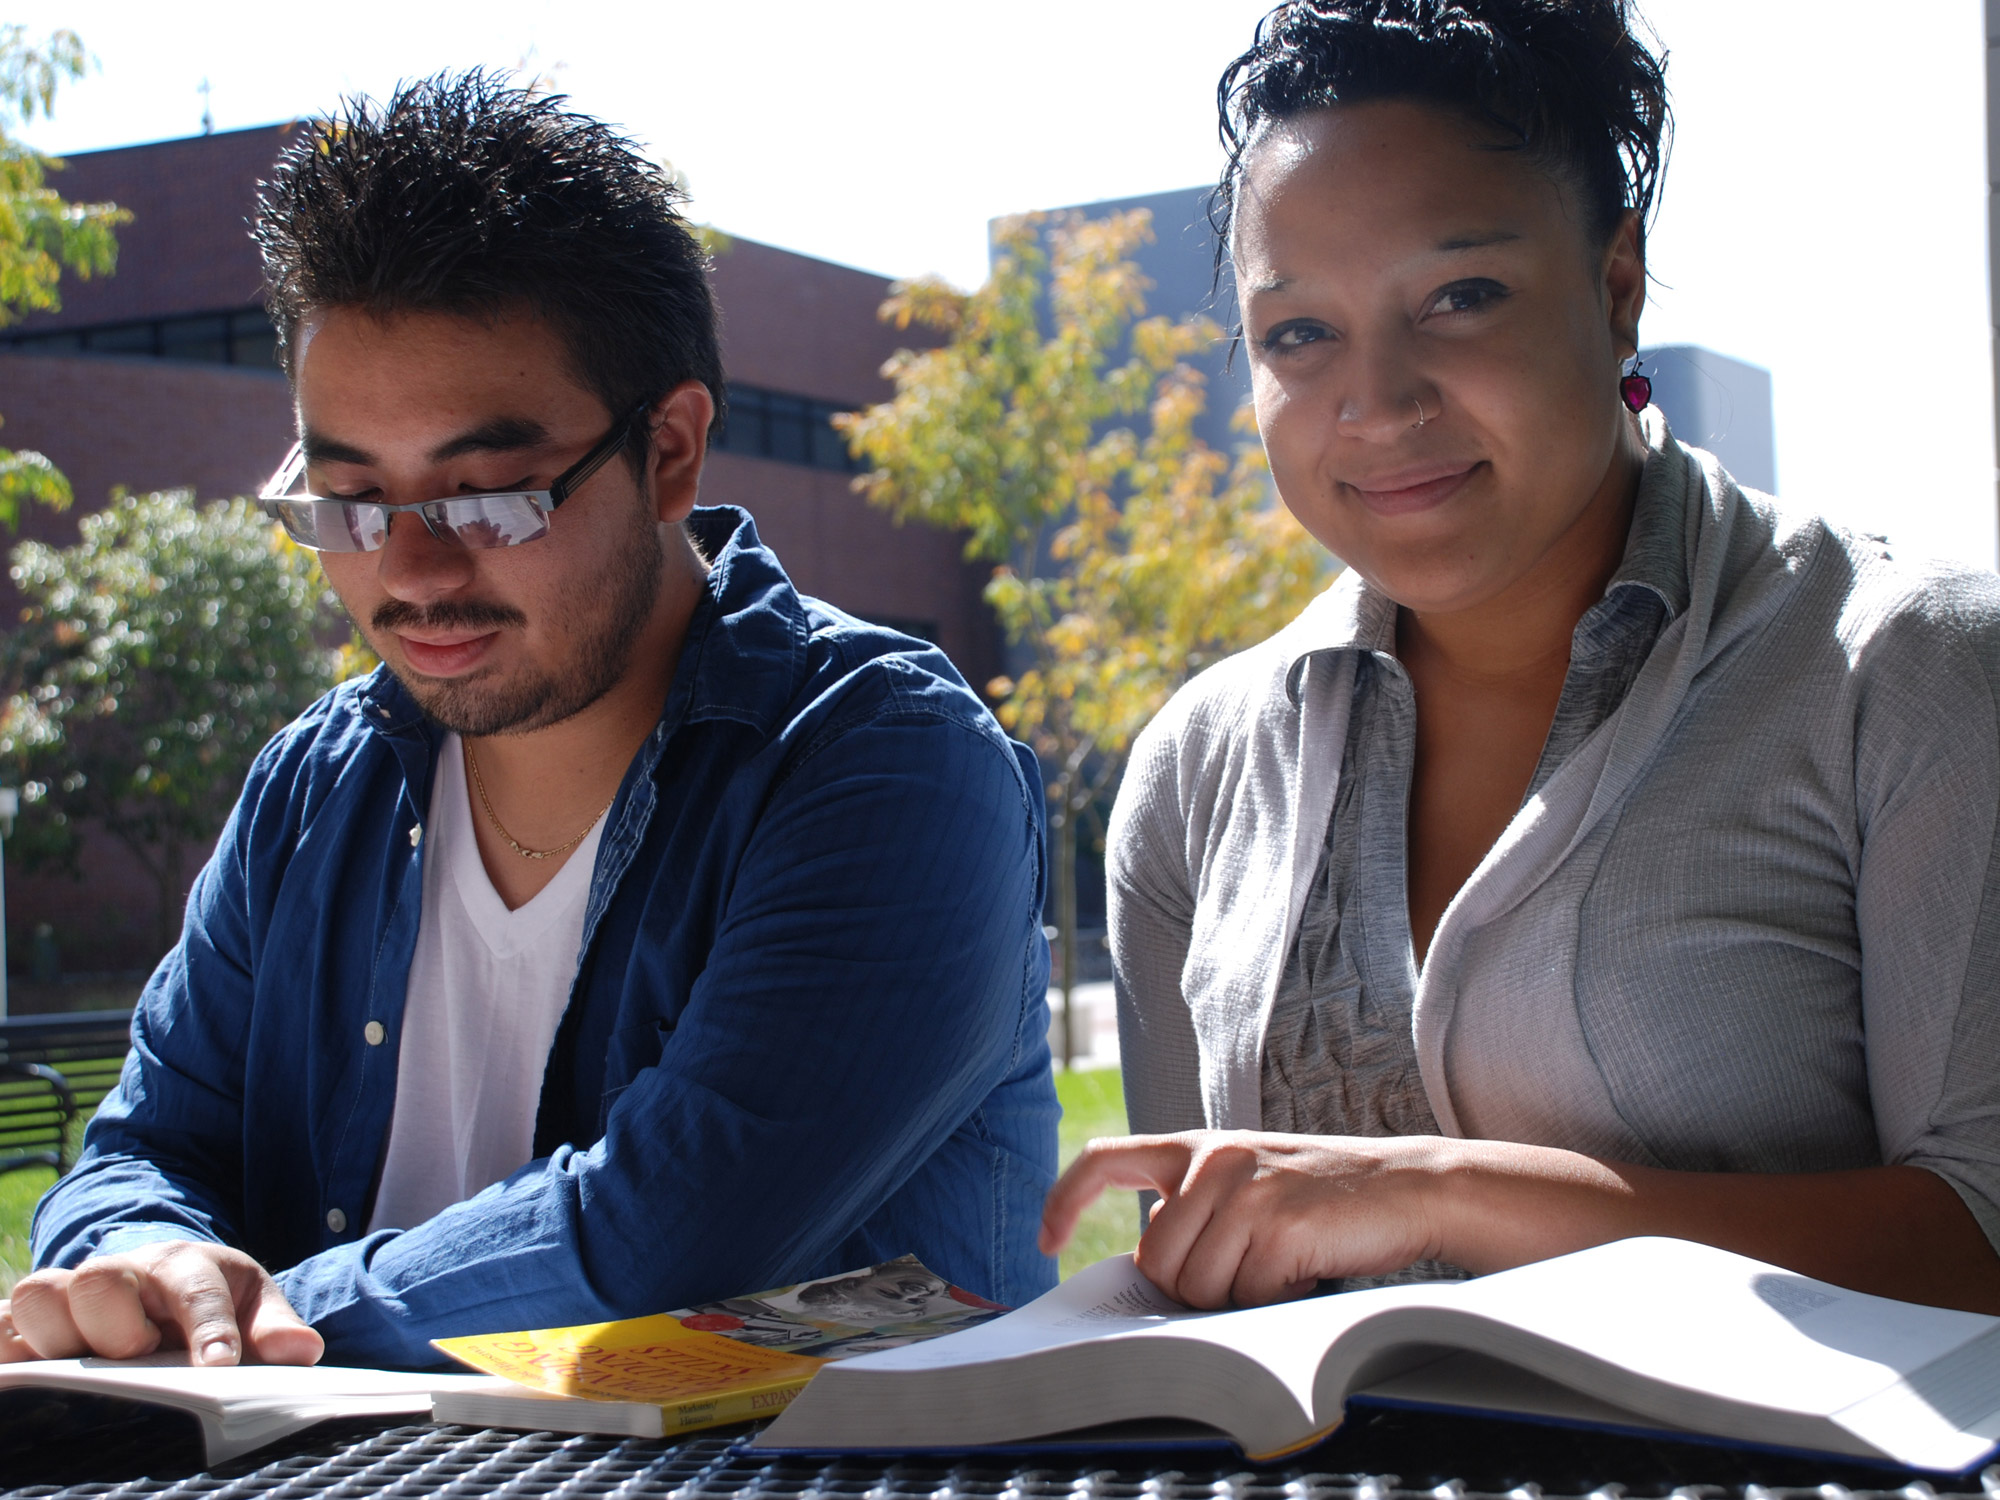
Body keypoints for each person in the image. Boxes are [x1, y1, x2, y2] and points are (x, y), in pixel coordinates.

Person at [6, 72, 1058, 1370]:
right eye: (349, 501)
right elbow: (143, 1149)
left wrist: (251, 1327)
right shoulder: (309, 791)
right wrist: (144, 1256)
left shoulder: (887, 764)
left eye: (493, 497)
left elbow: (668, 1237)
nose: (414, 570)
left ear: (669, 451)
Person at [1041, 0, 2000, 1316]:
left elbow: (1984, 1241)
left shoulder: (1908, 672)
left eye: (1461, 296)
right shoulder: (1194, 773)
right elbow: (1204, 1277)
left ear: (1617, 290)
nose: (1376, 402)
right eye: (1297, 334)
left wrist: (1444, 1194)